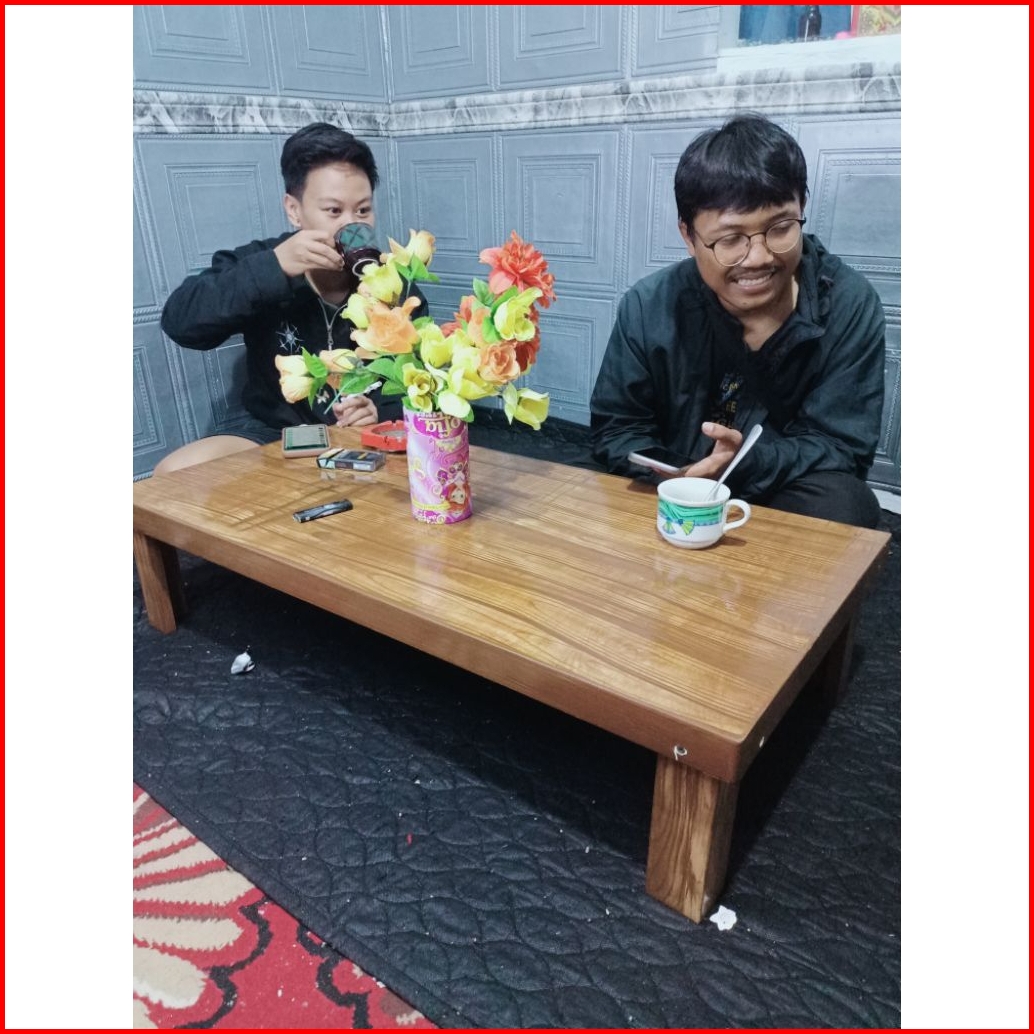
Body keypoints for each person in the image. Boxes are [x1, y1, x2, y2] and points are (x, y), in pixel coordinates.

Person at [590, 113, 885, 528]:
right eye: (730, 239)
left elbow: (842, 446)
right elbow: (617, 428)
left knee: (846, 505)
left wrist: (743, 462)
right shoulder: (649, 304)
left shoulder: (848, 305)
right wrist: (679, 475)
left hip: (780, 486)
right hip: (672, 481)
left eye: (780, 228)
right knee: (575, 493)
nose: (759, 257)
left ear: (801, 209)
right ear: (688, 236)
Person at [161, 122, 426, 443]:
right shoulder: (262, 261)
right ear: (293, 210)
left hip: (361, 434)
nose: (352, 225)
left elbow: (419, 382)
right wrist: (275, 268)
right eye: (333, 210)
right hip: (272, 432)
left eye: (363, 210)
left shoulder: (391, 283)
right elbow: (180, 323)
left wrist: (380, 411)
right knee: (175, 469)